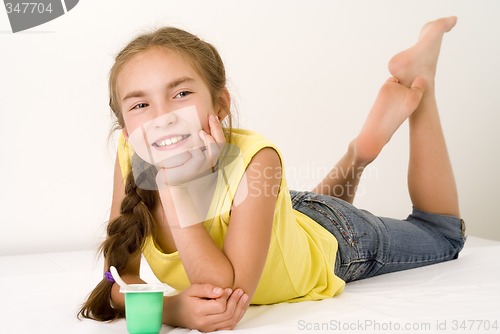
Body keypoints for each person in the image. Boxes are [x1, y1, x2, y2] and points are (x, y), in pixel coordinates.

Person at [78, 16, 466, 331]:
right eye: (141, 103)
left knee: (442, 234)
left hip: (339, 239)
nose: (163, 116)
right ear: (126, 130)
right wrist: (173, 309)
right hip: (279, 218)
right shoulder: (131, 152)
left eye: (180, 94)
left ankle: (422, 84)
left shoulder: (258, 158)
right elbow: (116, 279)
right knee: (299, 216)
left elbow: (225, 296)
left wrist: (175, 190)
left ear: (221, 103)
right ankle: (359, 153)